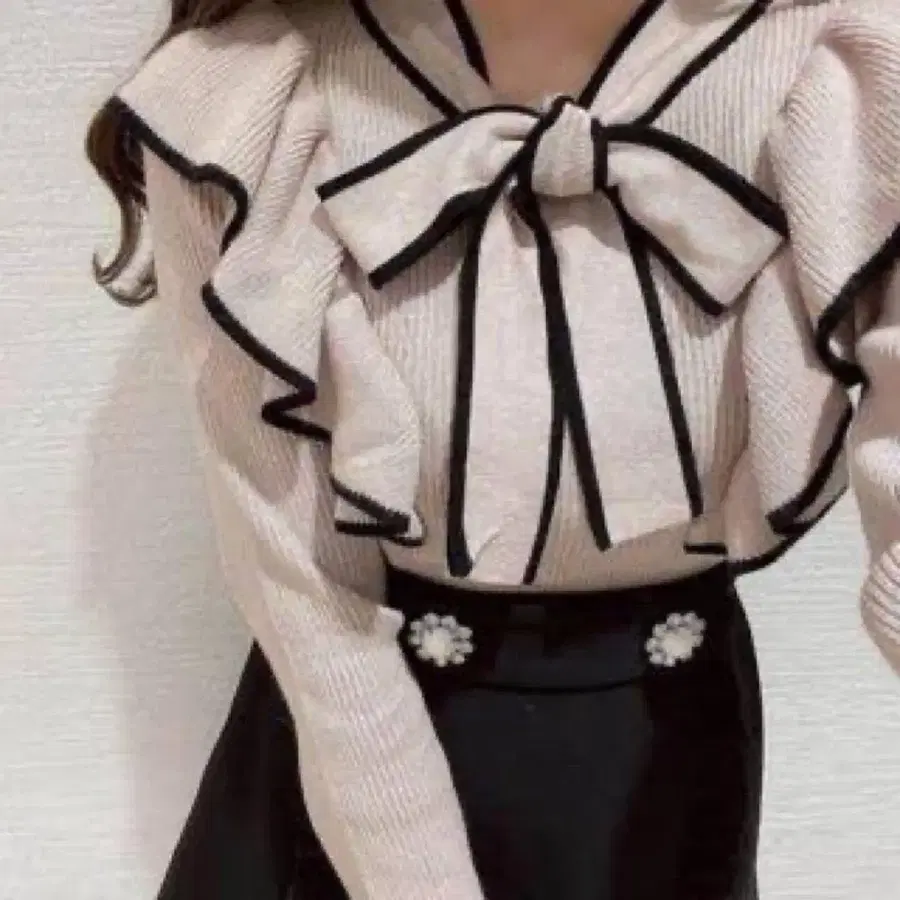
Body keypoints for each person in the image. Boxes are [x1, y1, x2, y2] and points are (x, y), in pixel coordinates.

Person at [86, 0, 900, 898]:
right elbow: (295, 575)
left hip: (664, 772)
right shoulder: (245, 97)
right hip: (353, 760)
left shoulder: (850, 68)